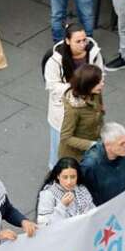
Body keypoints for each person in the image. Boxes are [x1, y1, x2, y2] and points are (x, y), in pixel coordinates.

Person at [44, 23, 104, 168]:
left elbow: (99, 76)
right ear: (67, 40)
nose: (83, 44)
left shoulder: (93, 53)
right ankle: (56, 171)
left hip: (88, 106)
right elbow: (52, 86)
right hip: (63, 109)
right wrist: (79, 86)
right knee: (60, 145)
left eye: (85, 40)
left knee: (83, 140)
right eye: (78, 41)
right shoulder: (55, 60)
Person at [80, 122, 125, 207]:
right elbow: (81, 193)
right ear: (108, 145)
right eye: (122, 143)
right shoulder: (90, 165)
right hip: (103, 211)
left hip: (122, 205)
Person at [58, 66, 105, 162]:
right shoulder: (73, 110)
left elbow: (99, 108)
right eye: (98, 83)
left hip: (93, 144)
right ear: (86, 85)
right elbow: (66, 137)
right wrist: (92, 145)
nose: (102, 85)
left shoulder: (95, 93)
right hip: (76, 156)